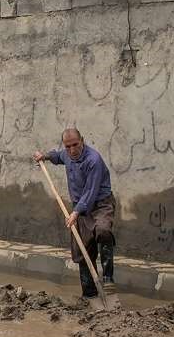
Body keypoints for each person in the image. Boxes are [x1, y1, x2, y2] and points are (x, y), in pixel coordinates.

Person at [33, 128, 116, 299]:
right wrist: (45, 157)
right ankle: (89, 295)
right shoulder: (67, 155)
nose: (72, 150)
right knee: (82, 250)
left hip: (100, 204)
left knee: (103, 231)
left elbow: (90, 192)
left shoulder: (94, 160)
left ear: (82, 141)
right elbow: (58, 156)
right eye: (68, 146)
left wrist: (75, 213)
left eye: (75, 145)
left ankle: (108, 278)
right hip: (80, 208)